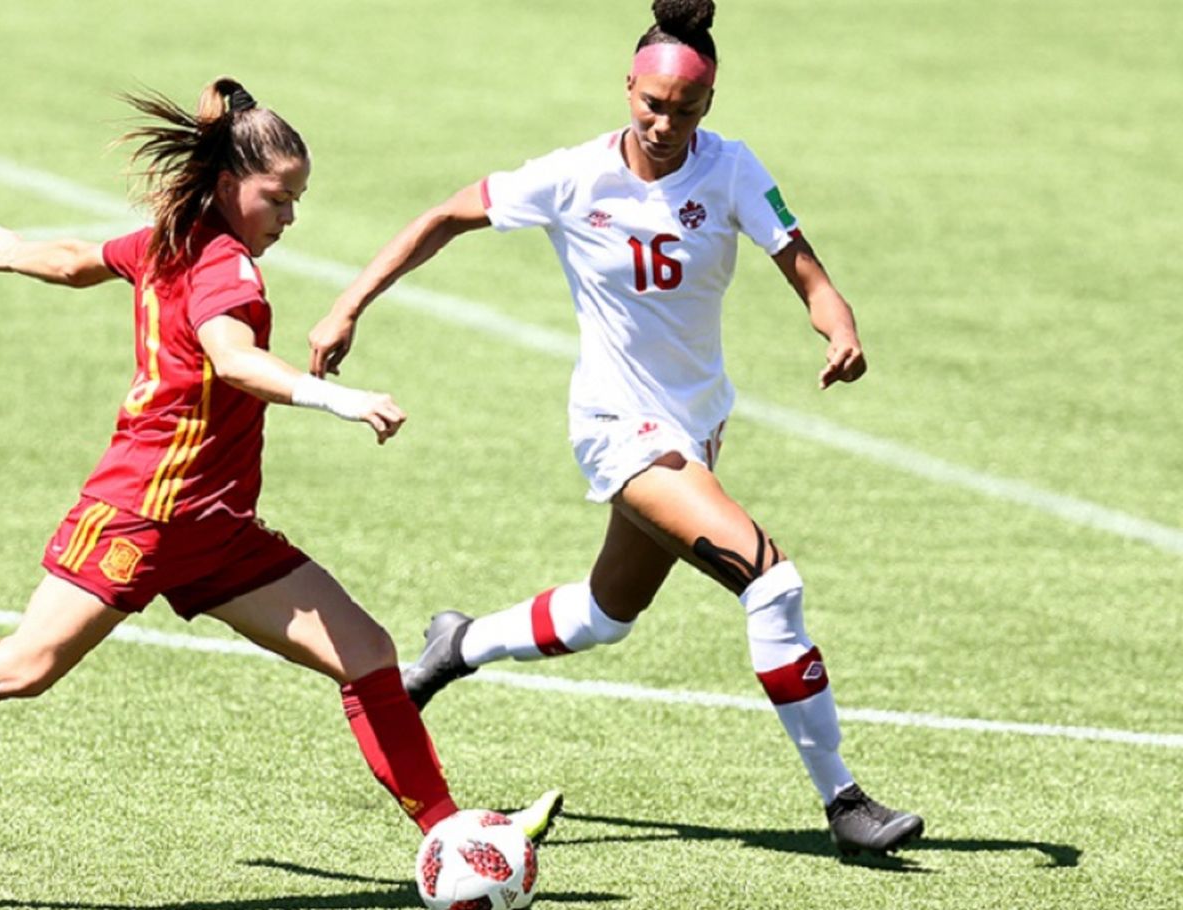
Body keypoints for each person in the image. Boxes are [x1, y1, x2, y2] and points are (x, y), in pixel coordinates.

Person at [0, 77, 561, 846]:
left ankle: (453, 835)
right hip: (141, 514)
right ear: (229, 185)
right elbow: (233, 359)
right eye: (278, 197)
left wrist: (13, 249)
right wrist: (338, 401)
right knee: (25, 667)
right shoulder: (224, 268)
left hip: (217, 529)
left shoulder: (171, 241)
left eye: (297, 200)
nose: (290, 216)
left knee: (368, 654)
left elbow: (78, 259)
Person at [307, 1, 922, 856]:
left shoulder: (733, 169)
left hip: (696, 426)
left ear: (710, 104)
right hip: (617, 429)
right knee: (771, 584)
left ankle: (457, 645)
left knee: (607, 613)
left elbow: (808, 272)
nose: (665, 124)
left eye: (686, 110)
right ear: (628, 87)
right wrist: (348, 306)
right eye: (652, 104)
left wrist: (839, 325)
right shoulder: (573, 177)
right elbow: (443, 217)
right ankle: (845, 802)